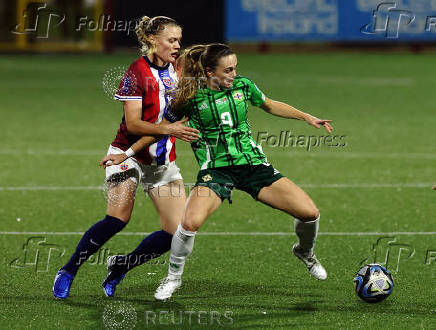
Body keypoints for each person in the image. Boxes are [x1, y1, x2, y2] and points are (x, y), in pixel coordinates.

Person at [103, 43, 333, 301]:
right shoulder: (188, 99)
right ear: (210, 72)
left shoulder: (244, 87)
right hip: (216, 171)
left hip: (253, 166)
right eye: (229, 70)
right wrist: (127, 154)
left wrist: (306, 117)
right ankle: (172, 278)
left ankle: (304, 251)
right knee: (189, 223)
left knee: (310, 213)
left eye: (235, 68)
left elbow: (269, 104)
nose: (234, 74)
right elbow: (159, 129)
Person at [52, 16, 200, 299]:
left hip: (161, 161)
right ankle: (69, 269)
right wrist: (166, 129)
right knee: (118, 218)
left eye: (179, 40)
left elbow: (180, 114)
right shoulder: (136, 73)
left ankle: (121, 266)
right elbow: (133, 124)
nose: (177, 45)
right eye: (171, 40)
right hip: (125, 155)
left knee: (175, 232)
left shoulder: (180, 70)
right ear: (152, 40)